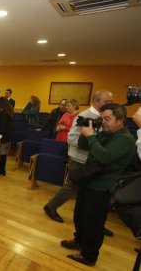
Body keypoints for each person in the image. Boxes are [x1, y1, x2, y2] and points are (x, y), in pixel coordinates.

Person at [61, 103, 136, 266]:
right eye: (102, 119)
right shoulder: (106, 133)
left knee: (93, 224)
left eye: (107, 119)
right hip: (89, 180)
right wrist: (85, 130)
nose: (103, 122)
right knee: (80, 216)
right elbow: (82, 145)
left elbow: (105, 157)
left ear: (121, 120)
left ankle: (89, 255)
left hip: (102, 187)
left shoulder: (125, 139)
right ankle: (79, 240)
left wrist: (91, 137)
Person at [43, 91, 113, 223]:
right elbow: (72, 138)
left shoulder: (103, 116)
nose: (111, 104)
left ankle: (88, 218)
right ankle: (51, 206)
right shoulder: (84, 116)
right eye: (107, 102)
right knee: (71, 187)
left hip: (92, 160)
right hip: (80, 159)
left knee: (87, 189)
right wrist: (92, 145)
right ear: (96, 101)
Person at [0, 97, 14, 176]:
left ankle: (1, 170)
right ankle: (0, 168)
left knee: (2, 152)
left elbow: (1, 128)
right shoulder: (7, 112)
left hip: (2, 136)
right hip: (6, 136)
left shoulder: (3, 114)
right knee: (2, 152)